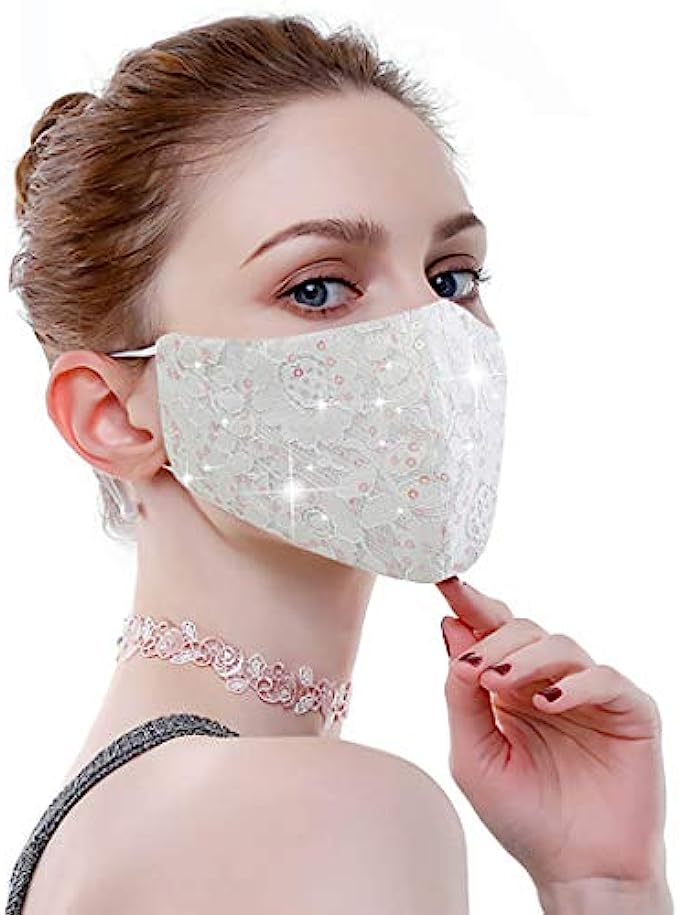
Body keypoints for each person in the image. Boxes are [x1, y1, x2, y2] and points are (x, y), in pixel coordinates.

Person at [7, 13, 672, 915]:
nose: (429, 341)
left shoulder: (116, 817)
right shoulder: (318, 811)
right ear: (113, 416)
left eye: (451, 278)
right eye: (317, 287)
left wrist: (601, 880)